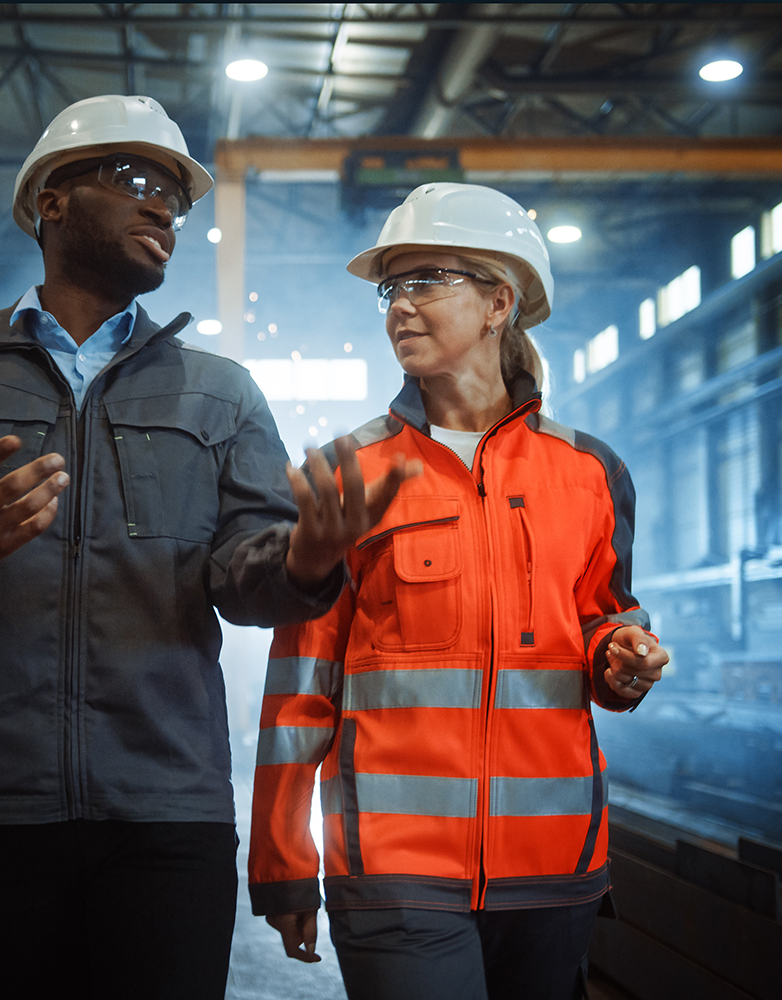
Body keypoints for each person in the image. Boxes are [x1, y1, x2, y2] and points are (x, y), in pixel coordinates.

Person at [0, 95, 416, 1000]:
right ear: (51, 201)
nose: (163, 213)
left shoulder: (217, 391)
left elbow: (243, 568)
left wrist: (306, 561)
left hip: (166, 808)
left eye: (176, 202)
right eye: (137, 181)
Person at [247, 182, 669, 1000]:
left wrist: (622, 656)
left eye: (426, 279)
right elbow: (300, 682)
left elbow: (604, 619)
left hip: (556, 866)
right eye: (390, 288)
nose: (399, 307)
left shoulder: (590, 472)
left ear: (497, 302)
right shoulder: (351, 472)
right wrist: (280, 862)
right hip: (395, 868)